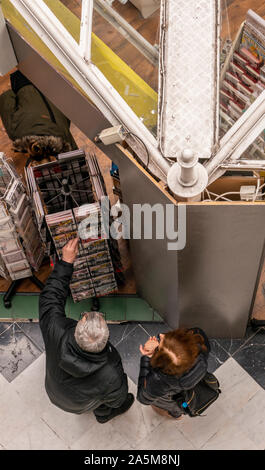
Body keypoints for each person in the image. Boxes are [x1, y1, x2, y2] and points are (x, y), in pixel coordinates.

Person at [39, 238, 134, 423]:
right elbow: (118, 397)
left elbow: (50, 297)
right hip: (83, 404)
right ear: (105, 339)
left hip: (54, 392)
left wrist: (66, 262)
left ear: (77, 328)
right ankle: (103, 416)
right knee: (108, 405)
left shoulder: (56, 331)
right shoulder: (111, 370)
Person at [0, 70, 77, 163]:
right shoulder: (16, 133)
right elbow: (6, 97)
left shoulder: (65, 141)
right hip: (24, 82)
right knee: (20, 59)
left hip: (52, 83)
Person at [137, 327, 211, 418]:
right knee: (179, 409)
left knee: (172, 408)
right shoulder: (199, 339)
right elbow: (176, 351)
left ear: (163, 364)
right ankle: (177, 415)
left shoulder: (158, 380)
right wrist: (163, 347)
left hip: (171, 401)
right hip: (187, 396)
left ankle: (175, 415)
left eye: (160, 345)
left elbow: (143, 398)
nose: (161, 335)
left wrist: (149, 357)